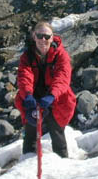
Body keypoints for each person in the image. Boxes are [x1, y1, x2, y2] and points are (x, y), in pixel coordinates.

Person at [14, 21, 76, 158]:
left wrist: (52, 96)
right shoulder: (27, 56)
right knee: (31, 129)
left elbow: (63, 77)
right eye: (40, 36)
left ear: (52, 38)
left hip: (56, 97)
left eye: (47, 37)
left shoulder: (61, 55)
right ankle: (27, 161)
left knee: (57, 130)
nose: (43, 40)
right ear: (34, 36)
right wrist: (28, 95)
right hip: (34, 96)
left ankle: (62, 160)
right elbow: (24, 77)